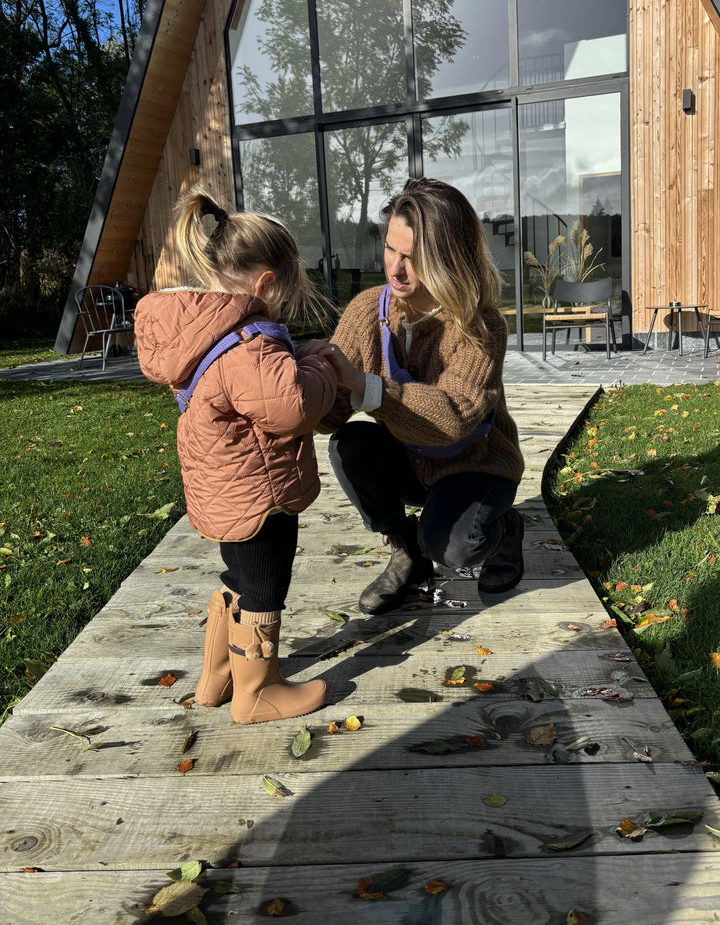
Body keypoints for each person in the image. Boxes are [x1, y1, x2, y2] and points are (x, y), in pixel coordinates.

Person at [134, 187, 338, 724]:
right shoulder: (251, 342)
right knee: (265, 586)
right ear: (264, 283)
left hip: (225, 488)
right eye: (285, 293)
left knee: (239, 577)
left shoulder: (204, 332)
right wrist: (321, 366)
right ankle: (257, 693)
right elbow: (291, 407)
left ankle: (218, 676)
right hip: (260, 493)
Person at [319, 177, 525, 615]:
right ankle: (406, 552)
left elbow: (453, 417)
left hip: (477, 465)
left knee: (454, 548)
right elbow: (331, 414)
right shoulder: (367, 310)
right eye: (390, 249)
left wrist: (364, 385)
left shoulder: (481, 325)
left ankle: (504, 530)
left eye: (412, 258)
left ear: (449, 258)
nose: (394, 269)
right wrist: (302, 388)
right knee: (347, 445)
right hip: (411, 459)